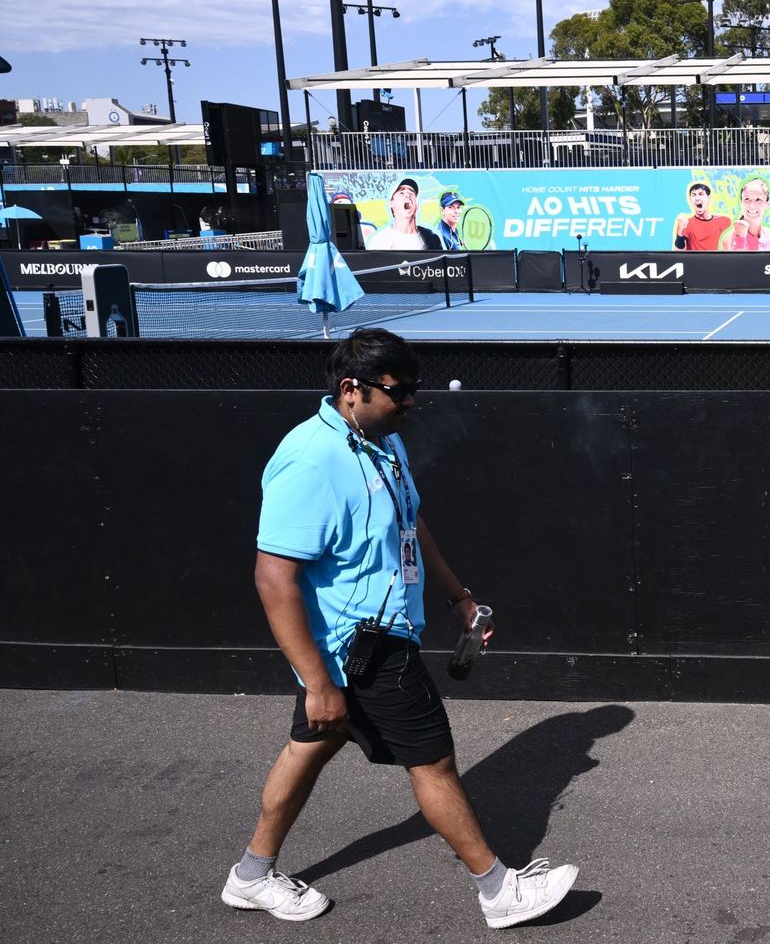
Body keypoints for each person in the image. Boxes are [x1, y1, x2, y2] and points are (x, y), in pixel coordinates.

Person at [221, 328, 578, 929]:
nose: (410, 402)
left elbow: (411, 527)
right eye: (398, 392)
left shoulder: (380, 439)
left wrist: (459, 600)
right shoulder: (310, 459)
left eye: (414, 390)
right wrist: (317, 679)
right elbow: (272, 579)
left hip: (364, 645)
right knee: (433, 762)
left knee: (309, 746)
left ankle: (251, 876)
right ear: (350, 389)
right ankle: (498, 891)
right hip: (363, 648)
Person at [365, 178, 441, 251]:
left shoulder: (431, 238)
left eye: (411, 193)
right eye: (401, 193)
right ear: (391, 203)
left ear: (417, 205)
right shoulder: (379, 241)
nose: (407, 195)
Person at [717, 177, 770, 251]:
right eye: (747, 199)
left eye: (758, 200)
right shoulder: (729, 237)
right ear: (741, 202)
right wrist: (740, 238)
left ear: (768, 203)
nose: (752, 206)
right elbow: (735, 262)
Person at [671, 182, 731, 251]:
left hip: (718, 261)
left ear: (708, 198)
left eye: (701, 194)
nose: (697, 198)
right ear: (690, 199)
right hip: (696, 261)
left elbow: (732, 247)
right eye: (694, 195)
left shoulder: (724, 221)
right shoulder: (687, 224)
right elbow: (679, 251)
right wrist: (680, 233)